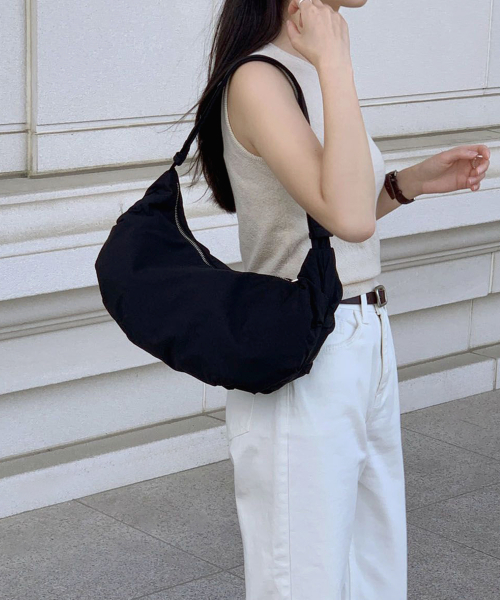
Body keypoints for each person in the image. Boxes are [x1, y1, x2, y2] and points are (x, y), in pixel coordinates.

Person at [180, 1, 489, 598]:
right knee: (304, 579)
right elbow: (347, 216)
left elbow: (328, 218)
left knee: (373, 567)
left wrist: (406, 184)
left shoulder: (308, 63)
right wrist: (334, 62)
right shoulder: (261, 78)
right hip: (306, 349)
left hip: (362, 336)